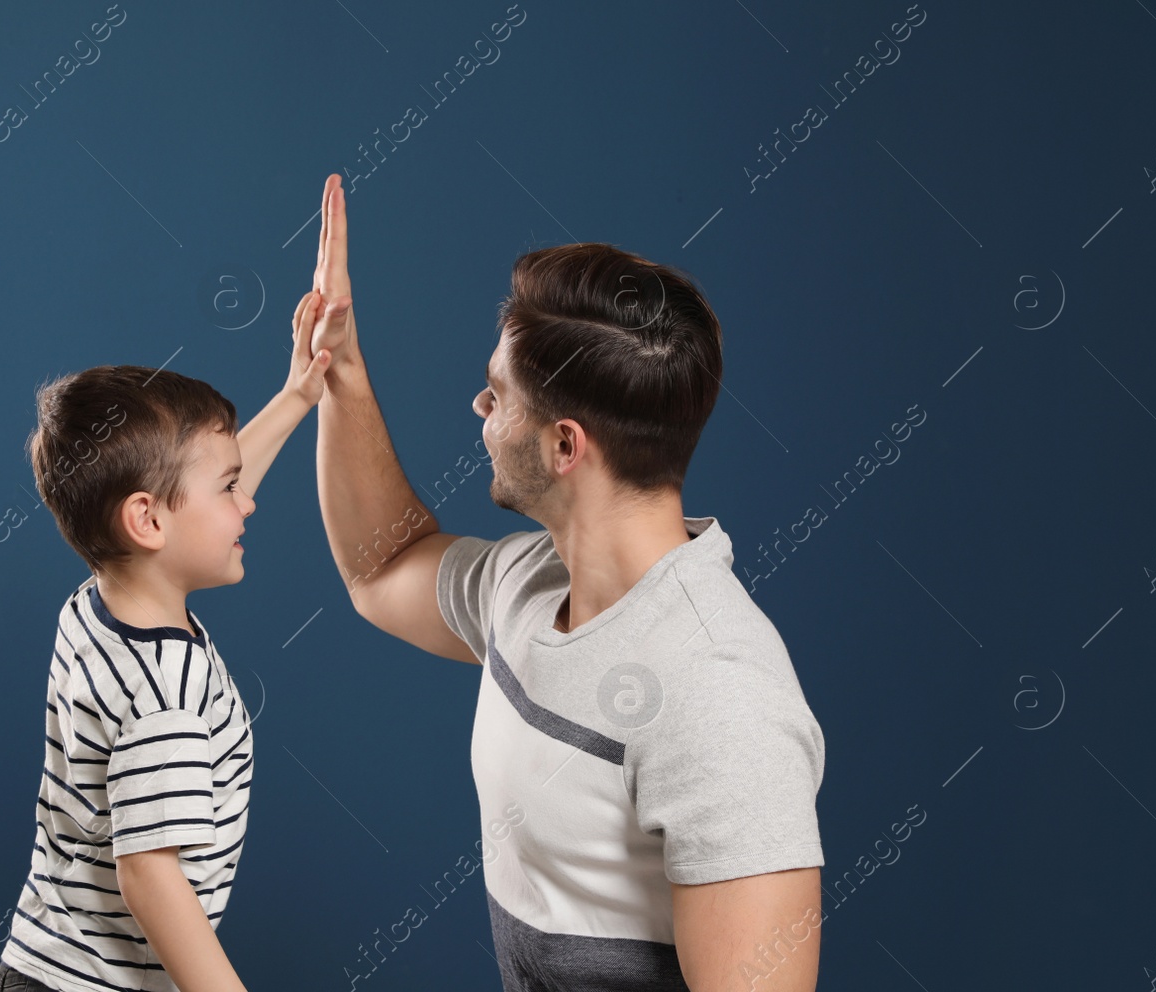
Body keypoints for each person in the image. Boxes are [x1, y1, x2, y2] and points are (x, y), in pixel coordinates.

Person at [304, 174, 827, 991]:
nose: (478, 405)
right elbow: (381, 568)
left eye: (499, 394)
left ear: (563, 447)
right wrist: (342, 372)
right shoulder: (529, 580)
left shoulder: (722, 694)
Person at [0, 302, 334, 991]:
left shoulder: (96, 602)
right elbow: (151, 875)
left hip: (41, 963)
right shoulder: (166, 690)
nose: (249, 504)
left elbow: (192, 508)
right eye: (233, 489)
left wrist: (300, 393)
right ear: (145, 520)